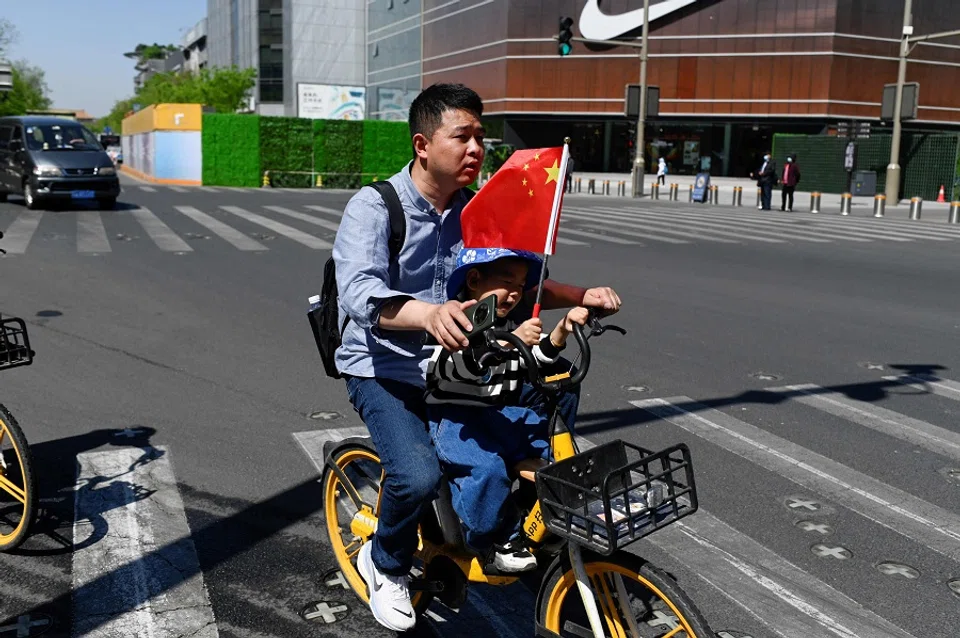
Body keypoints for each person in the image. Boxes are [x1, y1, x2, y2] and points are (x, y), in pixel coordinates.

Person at [332, 82, 621, 632]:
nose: (475, 149)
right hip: (386, 367)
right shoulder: (375, 207)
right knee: (415, 476)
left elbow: (520, 281)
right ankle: (386, 564)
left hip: (464, 366)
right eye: (461, 137)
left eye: (479, 138)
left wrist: (582, 295)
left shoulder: (476, 207)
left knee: (543, 406)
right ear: (422, 144)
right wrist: (428, 314)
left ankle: (500, 527)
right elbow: (360, 293)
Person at [424, 247, 589, 573]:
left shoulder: (503, 317)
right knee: (486, 470)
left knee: (552, 452)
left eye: (522, 284)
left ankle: (542, 511)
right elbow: (452, 369)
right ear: (474, 279)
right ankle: (493, 541)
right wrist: (511, 340)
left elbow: (527, 363)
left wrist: (562, 331)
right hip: (454, 418)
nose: (515, 291)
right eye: (506, 280)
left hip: (493, 414)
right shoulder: (458, 316)